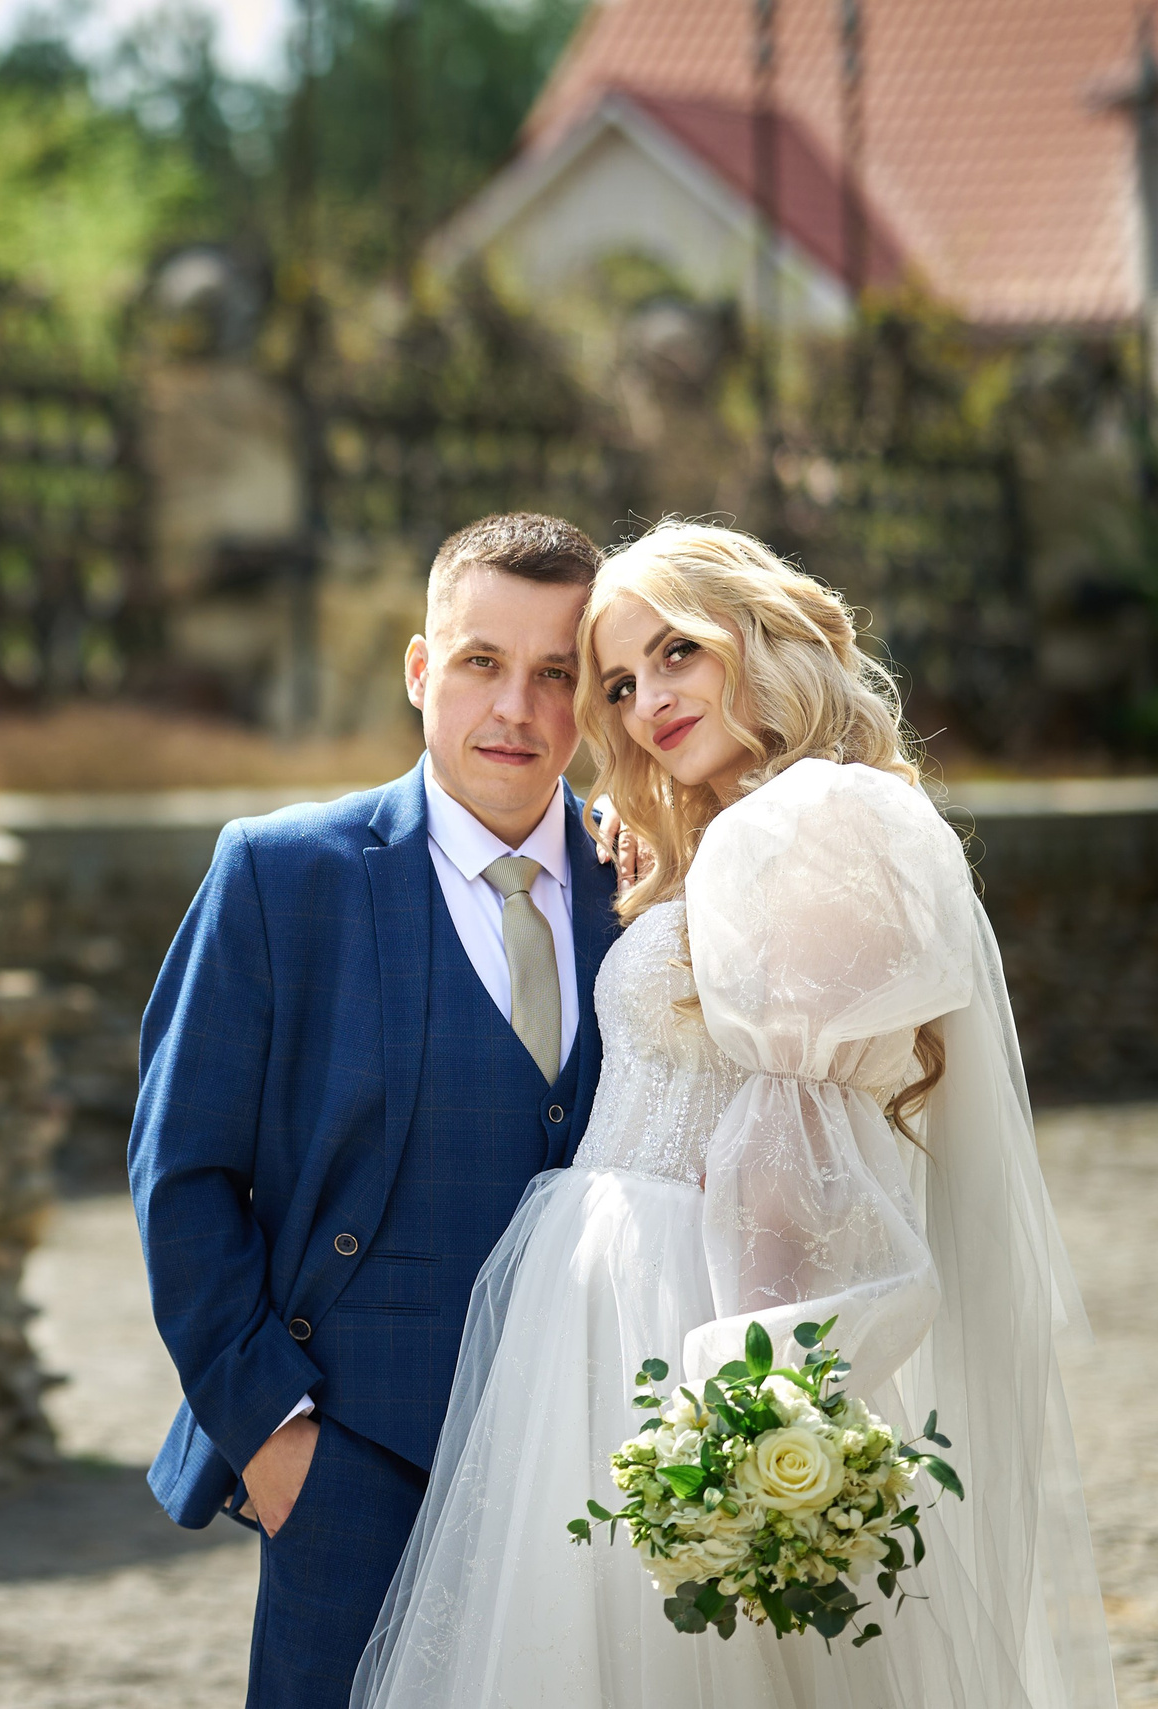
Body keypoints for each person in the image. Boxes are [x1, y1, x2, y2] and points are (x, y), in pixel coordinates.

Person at [349, 521, 1115, 1708]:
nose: (645, 700)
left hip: (688, 1307)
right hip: (609, 1286)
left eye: (677, 655)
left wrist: (747, 1396)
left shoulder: (810, 821)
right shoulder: (734, 825)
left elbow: (796, 1142)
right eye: (616, 681)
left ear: (757, 640)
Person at [130, 512, 623, 1709]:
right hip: (353, 1458)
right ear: (418, 671)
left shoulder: (648, 884)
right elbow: (180, 1169)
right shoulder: (280, 873)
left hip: (599, 1463)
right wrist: (272, 1433)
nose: (516, 708)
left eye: (556, 673)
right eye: (479, 663)